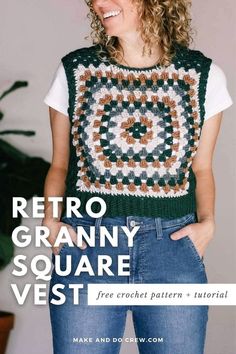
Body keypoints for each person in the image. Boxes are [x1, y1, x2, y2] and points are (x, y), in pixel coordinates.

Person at [42, 0, 233, 353]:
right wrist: (51, 222)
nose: (100, 3)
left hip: (171, 249)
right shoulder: (76, 70)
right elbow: (60, 166)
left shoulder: (202, 76)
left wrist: (207, 223)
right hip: (88, 246)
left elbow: (202, 168)